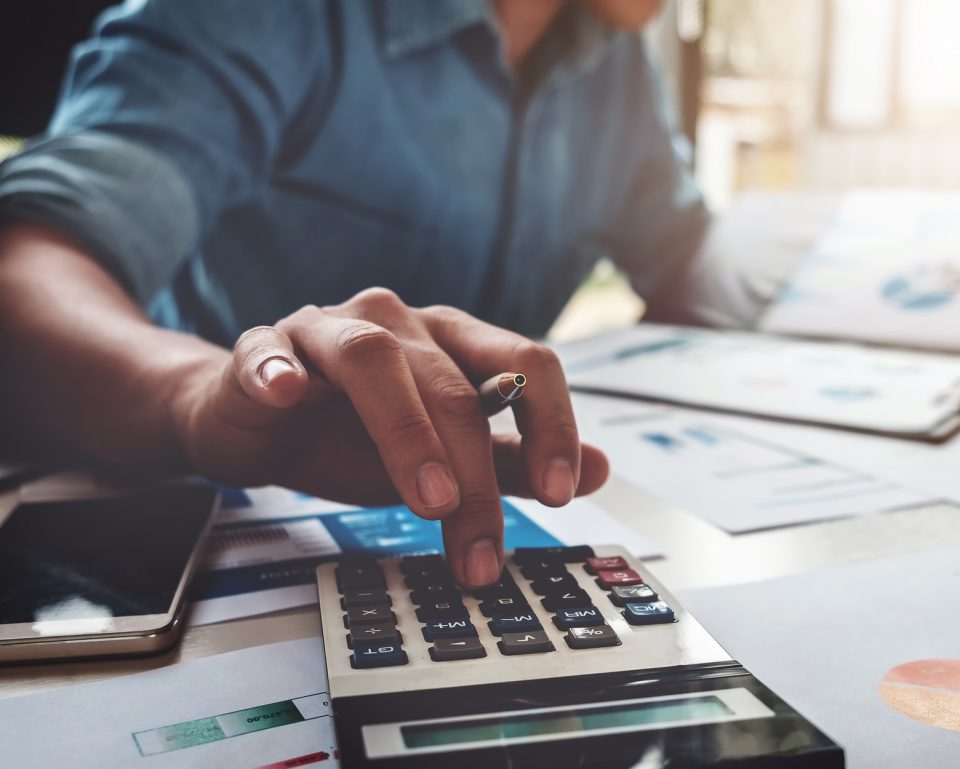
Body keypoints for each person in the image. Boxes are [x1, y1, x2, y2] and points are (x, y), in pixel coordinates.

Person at [0, 0, 751, 587]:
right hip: (193, 528)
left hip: (456, 542)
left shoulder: (616, 67)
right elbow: (26, 262)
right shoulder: (272, 17)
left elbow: (686, 263)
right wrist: (195, 395)